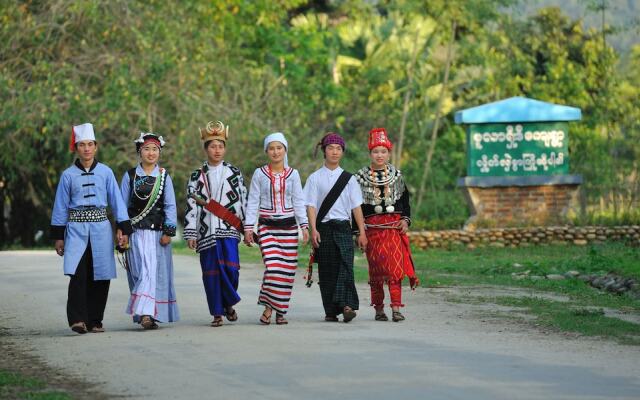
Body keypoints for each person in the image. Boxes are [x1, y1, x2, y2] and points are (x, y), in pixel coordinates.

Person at [50, 123, 132, 334]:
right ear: (76, 148)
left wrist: (123, 228)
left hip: (101, 229)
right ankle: (77, 319)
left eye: (90, 144)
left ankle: (95, 320)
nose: (86, 149)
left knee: (101, 275)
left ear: (96, 147)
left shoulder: (105, 172)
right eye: (82, 145)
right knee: (77, 274)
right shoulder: (68, 175)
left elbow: (116, 202)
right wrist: (58, 237)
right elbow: (60, 206)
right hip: (76, 229)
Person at [184, 120, 247, 327]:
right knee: (211, 273)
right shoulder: (196, 176)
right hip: (206, 231)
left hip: (229, 229)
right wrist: (191, 232)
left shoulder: (234, 173)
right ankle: (217, 313)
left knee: (231, 269)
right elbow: (192, 206)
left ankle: (228, 302)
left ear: (225, 148)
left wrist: (248, 228)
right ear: (206, 149)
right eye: (213, 146)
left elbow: (243, 200)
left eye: (220, 146)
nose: (217, 150)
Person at [244, 132, 309, 325]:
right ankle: (271, 307)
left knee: (287, 271)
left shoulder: (293, 174)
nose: (275, 152)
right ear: (266, 151)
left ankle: (276, 310)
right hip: (267, 228)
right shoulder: (259, 174)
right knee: (273, 268)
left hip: (289, 228)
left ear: (285, 150)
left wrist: (304, 226)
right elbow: (253, 201)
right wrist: (249, 227)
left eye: (279, 147)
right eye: (271, 148)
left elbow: (298, 201)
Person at [354, 128, 419, 322]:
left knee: (395, 270)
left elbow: (405, 202)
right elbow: (355, 207)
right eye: (375, 151)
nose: (379, 155)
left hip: (393, 230)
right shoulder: (360, 178)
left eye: (383, 151)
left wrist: (405, 220)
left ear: (388, 153)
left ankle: (396, 308)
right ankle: (379, 309)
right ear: (370, 154)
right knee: (376, 272)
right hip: (372, 231)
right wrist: (359, 232)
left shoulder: (397, 176)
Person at [303, 132, 367, 323]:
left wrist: (362, 232)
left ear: (342, 152)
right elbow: (311, 206)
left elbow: (356, 207)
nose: (335, 152)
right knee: (327, 270)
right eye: (331, 148)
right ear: (324, 151)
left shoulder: (349, 179)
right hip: (324, 229)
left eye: (338, 149)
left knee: (346, 266)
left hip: (343, 229)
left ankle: (347, 306)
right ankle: (331, 311)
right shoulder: (315, 178)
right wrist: (313, 229)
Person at [119, 132, 179, 330]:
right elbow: (122, 207)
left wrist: (169, 232)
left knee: (151, 273)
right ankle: (146, 313)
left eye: (155, 149)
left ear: (159, 152)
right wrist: (123, 231)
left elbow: (170, 205)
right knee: (140, 272)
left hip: (156, 234)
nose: (151, 153)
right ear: (139, 151)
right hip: (135, 233)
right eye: (147, 149)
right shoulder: (129, 176)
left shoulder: (164, 176)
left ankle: (147, 314)